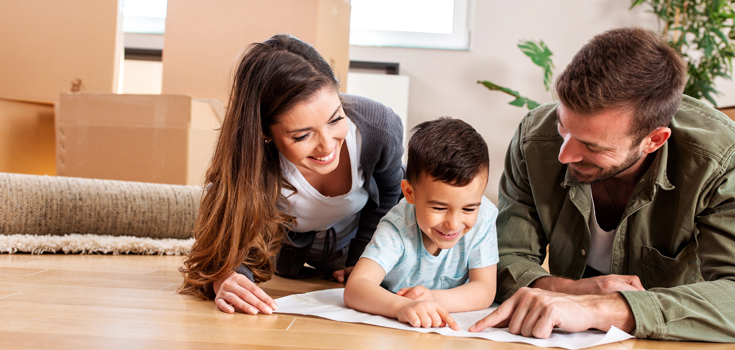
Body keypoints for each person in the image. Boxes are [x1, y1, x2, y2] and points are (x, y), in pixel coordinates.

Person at [470, 27, 735, 342]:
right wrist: (570, 291)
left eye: (593, 147)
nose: (565, 155)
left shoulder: (724, 163)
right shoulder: (534, 139)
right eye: (562, 127)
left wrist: (604, 309)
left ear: (653, 140)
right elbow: (503, 257)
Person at [178, 34, 405, 315]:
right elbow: (228, 241)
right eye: (302, 135)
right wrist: (226, 277)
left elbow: (391, 200)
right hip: (284, 256)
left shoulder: (380, 127)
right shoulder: (250, 161)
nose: (326, 146)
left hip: (361, 246)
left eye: (336, 119)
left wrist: (362, 263)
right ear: (264, 133)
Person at [344, 117, 498, 330]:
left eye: (469, 209)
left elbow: (485, 288)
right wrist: (402, 307)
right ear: (409, 193)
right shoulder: (397, 226)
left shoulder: (485, 216)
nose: (454, 224)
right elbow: (356, 287)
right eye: (439, 208)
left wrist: (432, 299)